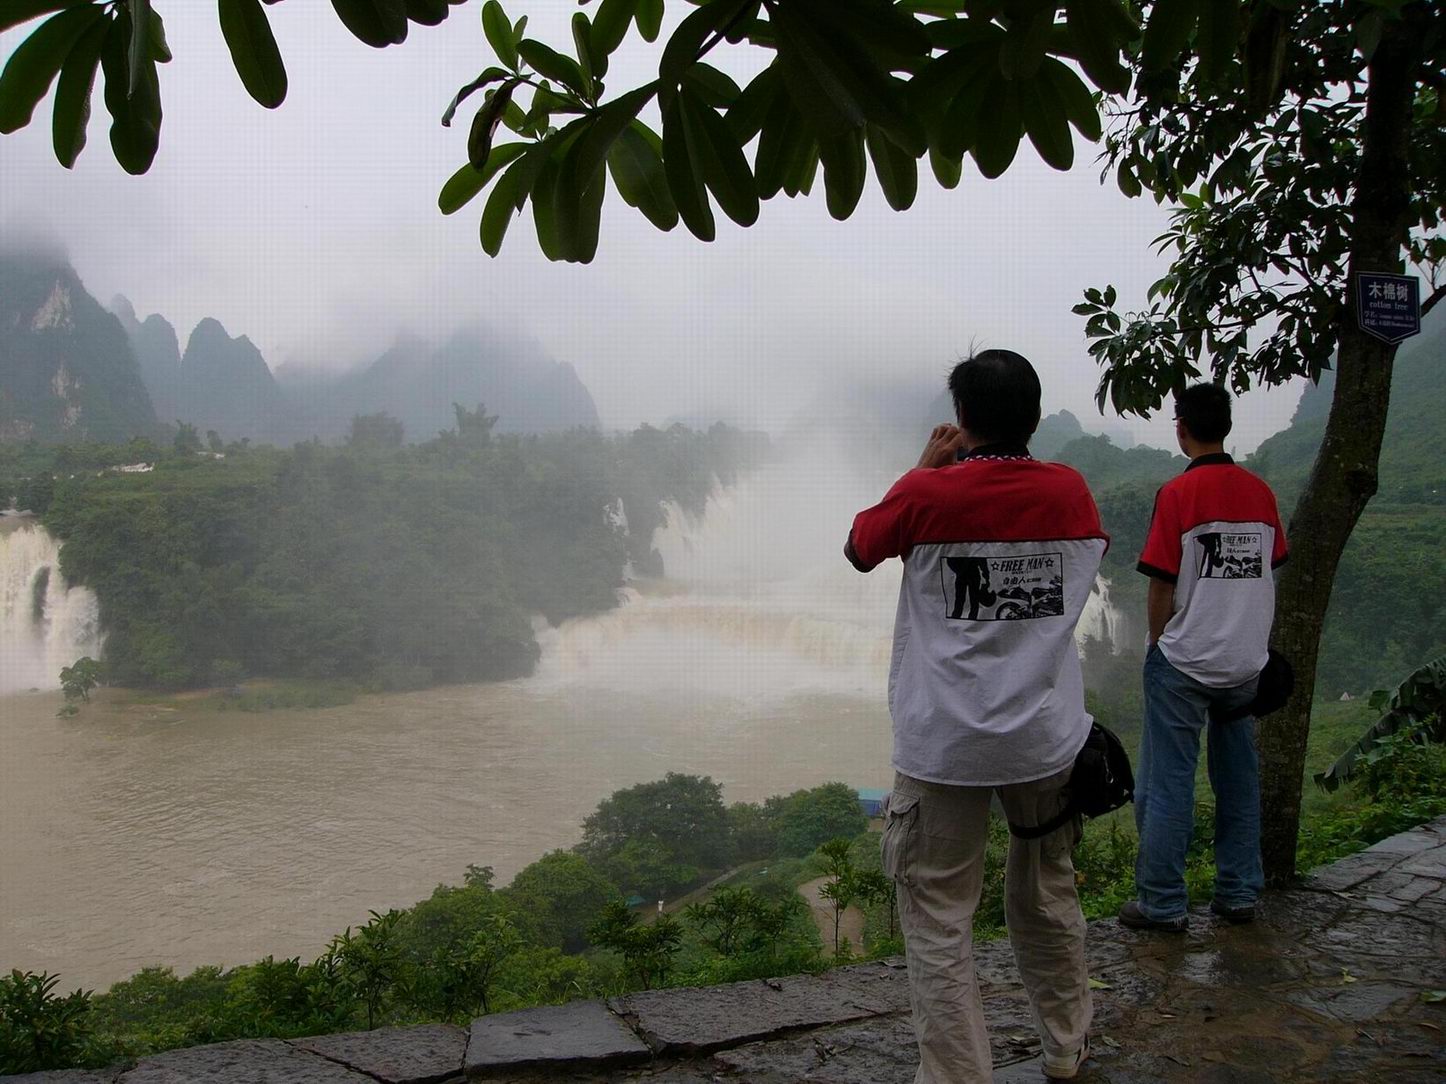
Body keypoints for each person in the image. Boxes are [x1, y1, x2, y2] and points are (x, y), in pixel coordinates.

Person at [846, 349, 1108, 1083]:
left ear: (961, 419)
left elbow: (860, 547)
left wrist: (925, 469)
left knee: (937, 917)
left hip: (945, 748)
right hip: (1046, 741)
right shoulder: (1073, 494)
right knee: (1049, 891)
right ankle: (1065, 1047)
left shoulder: (927, 496)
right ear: (1035, 416)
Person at [1121, 383, 1288, 933]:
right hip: (1246, 663)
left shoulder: (1177, 495)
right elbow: (1269, 566)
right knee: (1238, 777)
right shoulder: (1261, 493)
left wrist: (1156, 645)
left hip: (1186, 659)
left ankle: (1163, 903)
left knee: (1168, 781)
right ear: (1227, 426)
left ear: (1180, 426)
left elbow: (1161, 585)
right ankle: (1239, 893)